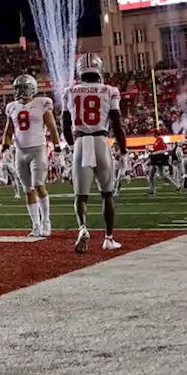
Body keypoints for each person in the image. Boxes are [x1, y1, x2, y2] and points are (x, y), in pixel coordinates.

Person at [62, 53, 127, 253]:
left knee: (80, 195)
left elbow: (65, 124)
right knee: (107, 194)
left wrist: (72, 147)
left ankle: (82, 228)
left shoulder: (70, 92)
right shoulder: (109, 90)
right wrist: (123, 150)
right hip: (101, 141)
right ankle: (108, 238)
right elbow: (116, 122)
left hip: (81, 142)